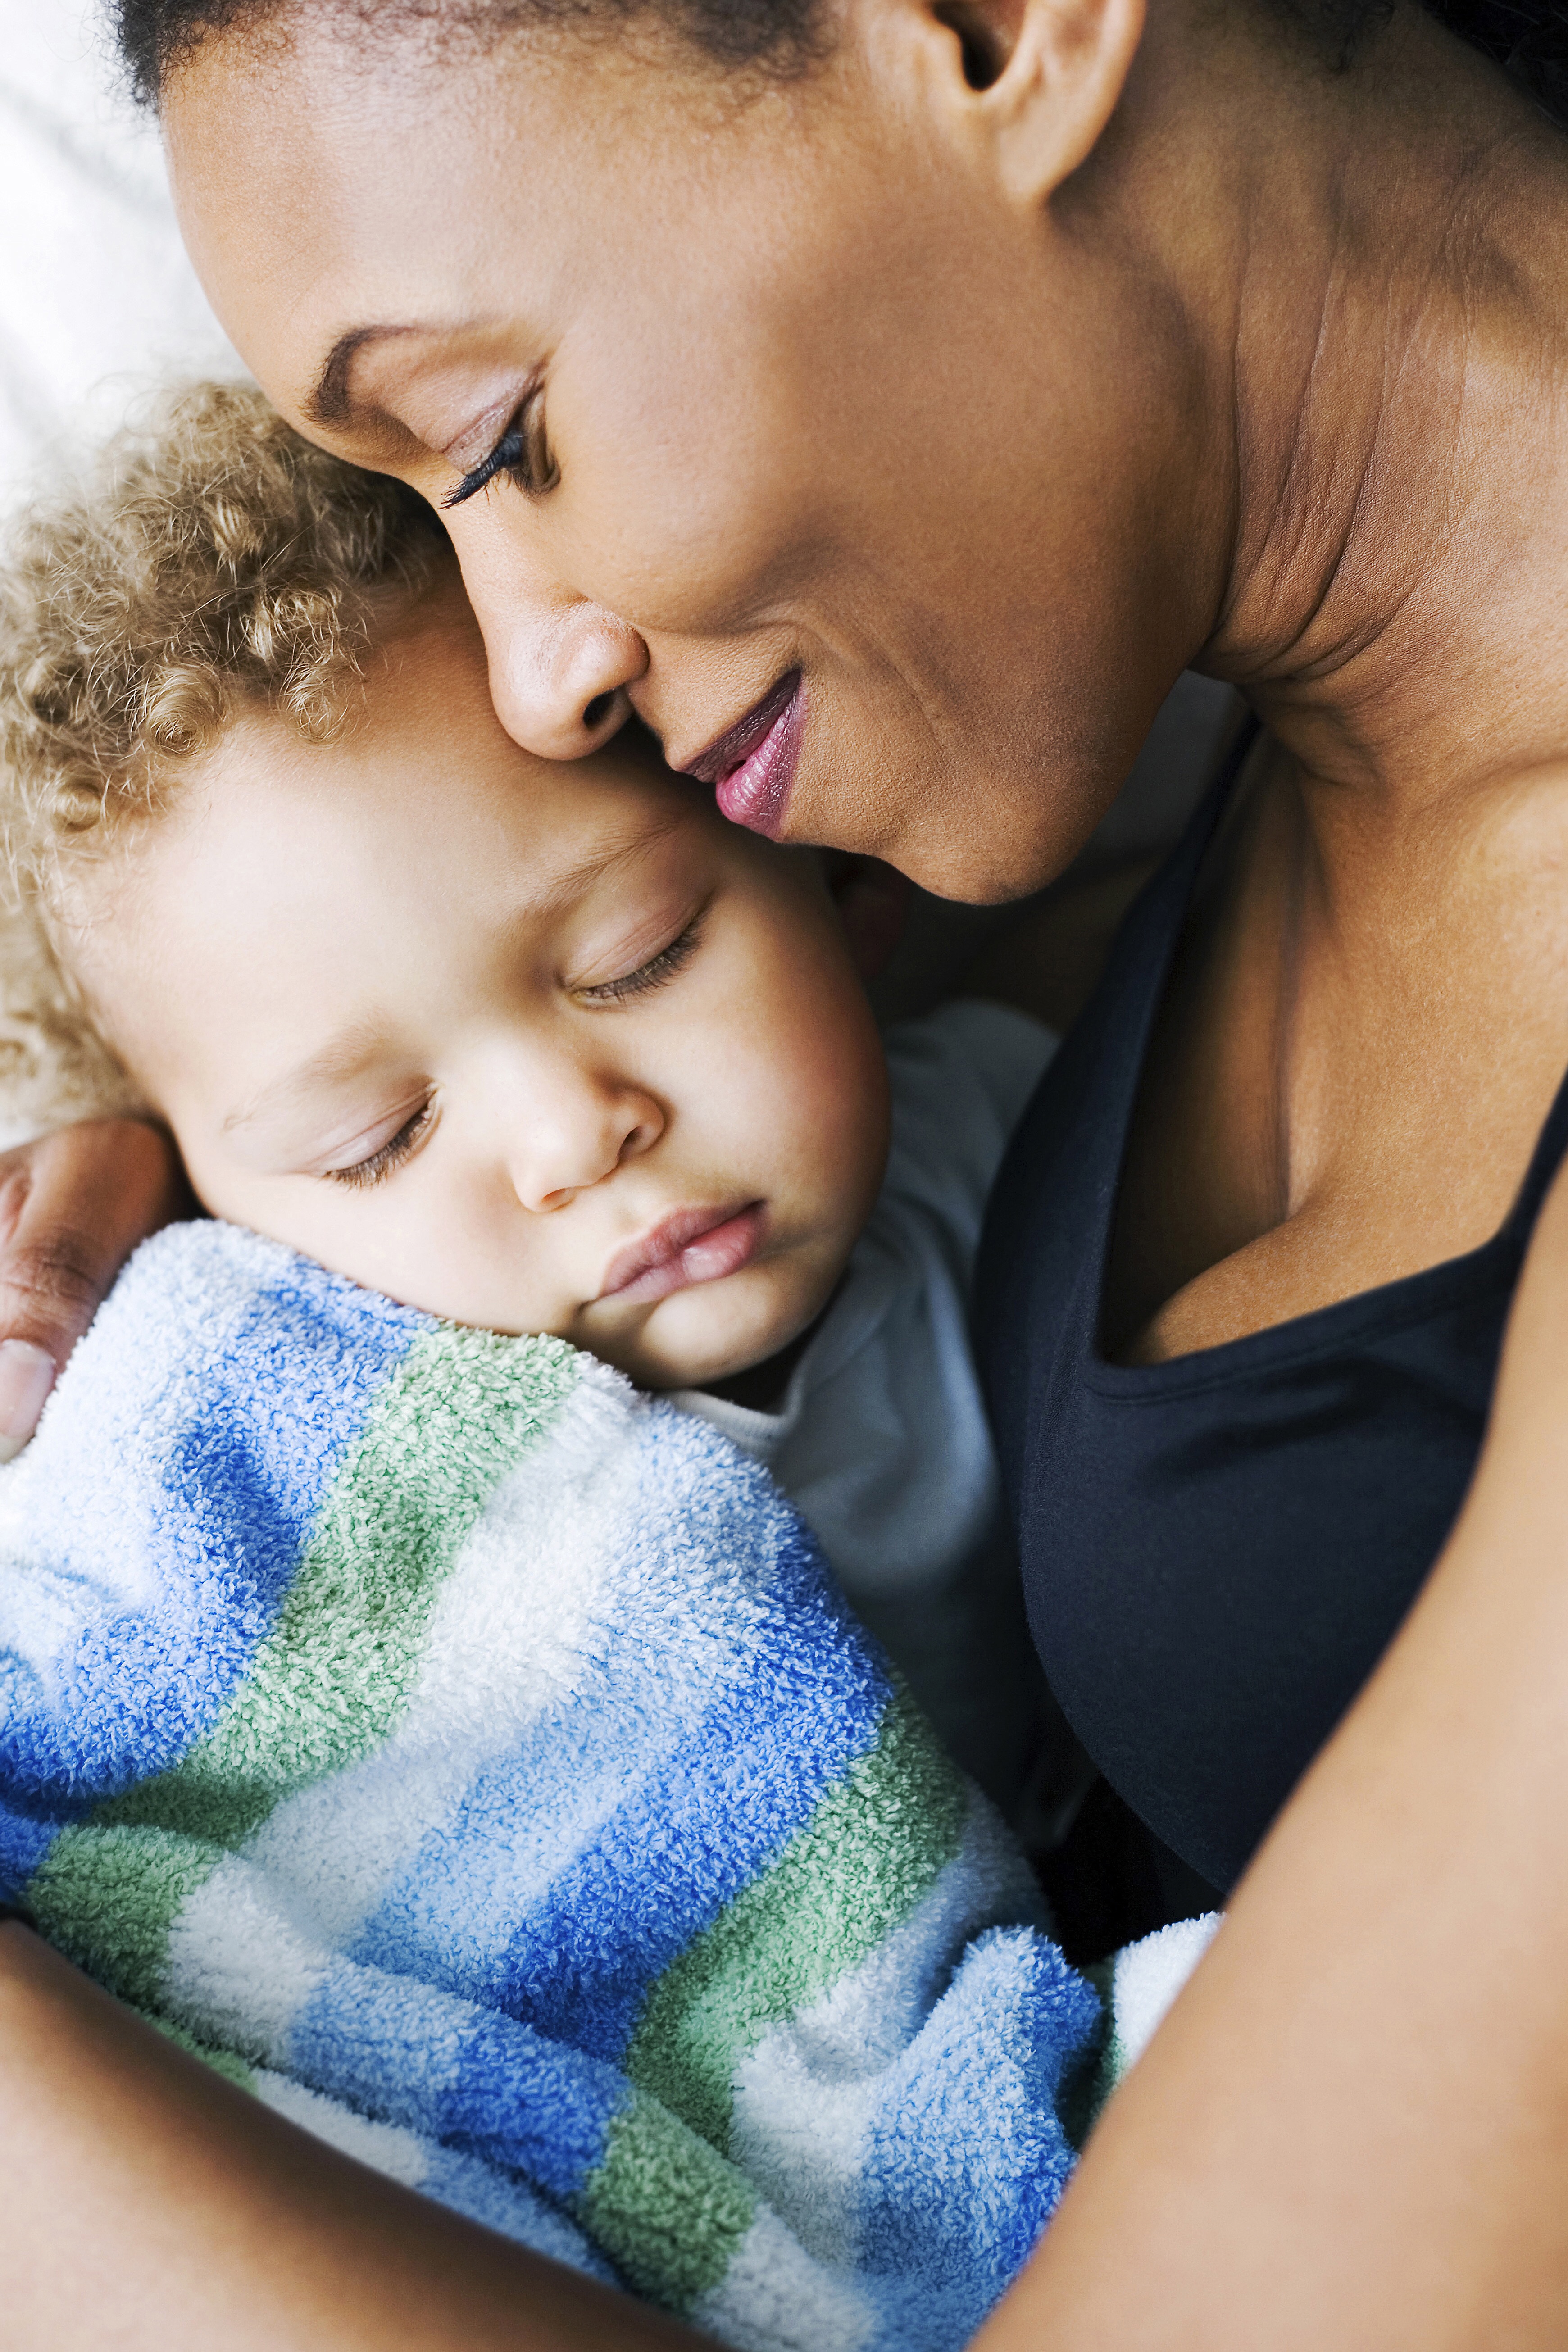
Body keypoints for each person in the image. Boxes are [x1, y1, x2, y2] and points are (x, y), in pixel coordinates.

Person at [7, 0, 1568, 2344]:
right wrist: (218, 1215)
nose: (535, 680)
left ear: (999, 29)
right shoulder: (1251, 782)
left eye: (501, 434)